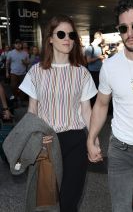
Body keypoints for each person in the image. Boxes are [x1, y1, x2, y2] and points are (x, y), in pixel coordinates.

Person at [19, 14, 97, 212]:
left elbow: (86, 110)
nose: (67, 38)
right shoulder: (36, 72)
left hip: (76, 141)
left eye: (71, 35)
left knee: (70, 199)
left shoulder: (82, 73)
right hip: (47, 141)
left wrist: (93, 141)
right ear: (50, 39)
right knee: (48, 199)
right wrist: (35, 137)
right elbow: (32, 111)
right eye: (61, 33)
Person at [87, 0, 133, 212]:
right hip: (121, 149)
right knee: (121, 208)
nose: (129, 33)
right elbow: (102, 104)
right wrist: (92, 137)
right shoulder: (110, 67)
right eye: (123, 28)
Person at [6, 39, 29, 104]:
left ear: (21, 45)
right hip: (14, 73)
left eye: (19, 43)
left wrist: (25, 62)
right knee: (13, 86)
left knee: (24, 87)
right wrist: (7, 72)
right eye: (16, 43)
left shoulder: (25, 53)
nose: (18, 45)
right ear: (14, 45)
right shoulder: (10, 53)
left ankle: (21, 100)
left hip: (23, 73)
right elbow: (7, 63)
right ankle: (16, 98)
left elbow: (28, 63)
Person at [85, 31, 105, 106]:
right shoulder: (90, 48)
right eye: (101, 37)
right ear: (98, 38)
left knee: (100, 89)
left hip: (100, 71)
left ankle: (98, 105)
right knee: (93, 90)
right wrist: (98, 57)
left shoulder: (99, 48)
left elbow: (99, 59)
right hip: (93, 72)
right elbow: (88, 60)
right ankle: (92, 106)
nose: (102, 39)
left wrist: (102, 59)